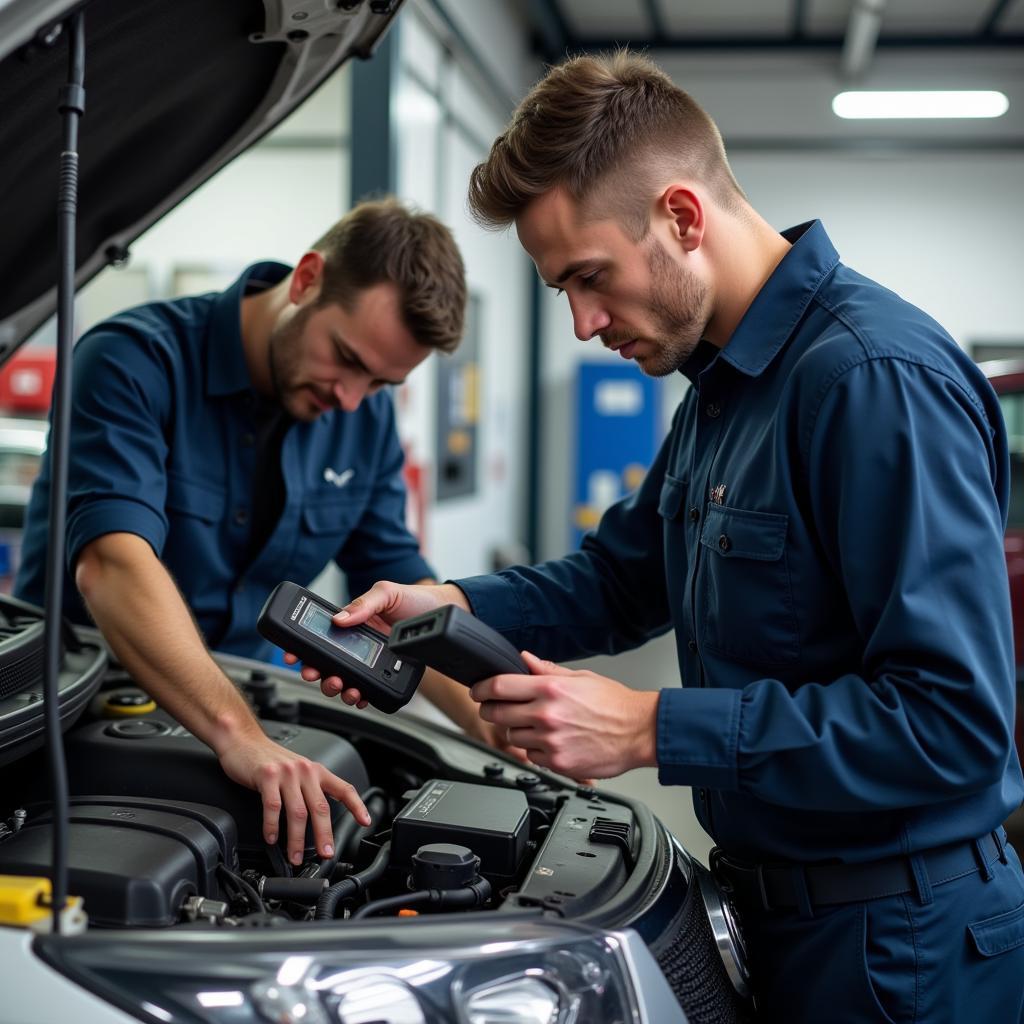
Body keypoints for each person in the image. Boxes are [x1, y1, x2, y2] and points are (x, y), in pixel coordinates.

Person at [302, 55, 1024, 1022]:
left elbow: (953, 726)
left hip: (902, 952)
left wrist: (648, 728)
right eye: (562, 289)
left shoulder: (868, 381)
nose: (585, 322)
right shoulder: (723, 392)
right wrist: (455, 607)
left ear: (683, 217)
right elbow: (619, 579)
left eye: (589, 278)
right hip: (787, 922)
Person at [14, 197, 506, 868]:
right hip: (80, 715)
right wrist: (237, 736)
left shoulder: (363, 420)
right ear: (305, 280)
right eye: (346, 358)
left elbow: (398, 588)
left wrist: (491, 719)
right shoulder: (130, 362)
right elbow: (113, 565)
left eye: (380, 383)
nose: (351, 400)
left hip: (253, 710)